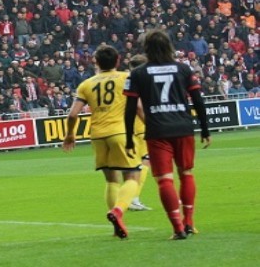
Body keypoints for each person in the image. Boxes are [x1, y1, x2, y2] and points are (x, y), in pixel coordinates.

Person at [123, 30, 211, 240]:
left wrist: (128, 138)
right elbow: (198, 100)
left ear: (146, 49)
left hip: (157, 131)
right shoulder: (183, 68)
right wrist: (205, 129)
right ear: (169, 46)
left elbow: (130, 108)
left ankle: (178, 227)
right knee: (186, 174)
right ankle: (189, 222)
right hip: (183, 128)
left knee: (165, 181)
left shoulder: (138, 73)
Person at [62, 45, 142, 240]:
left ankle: (116, 228)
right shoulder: (126, 78)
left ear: (95, 62)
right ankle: (118, 211)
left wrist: (70, 134)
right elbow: (138, 107)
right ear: (118, 60)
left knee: (111, 179)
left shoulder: (86, 84)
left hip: (97, 135)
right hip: (121, 132)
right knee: (133, 176)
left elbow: (73, 114)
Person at [127, 54, 152, 212]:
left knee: (134, 164)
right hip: (140, 126)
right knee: (144, 162)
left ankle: (130, 197)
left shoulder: (125, 80)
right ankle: (133, 198)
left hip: (127, 126)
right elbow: (139, 106)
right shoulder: (141, 81)